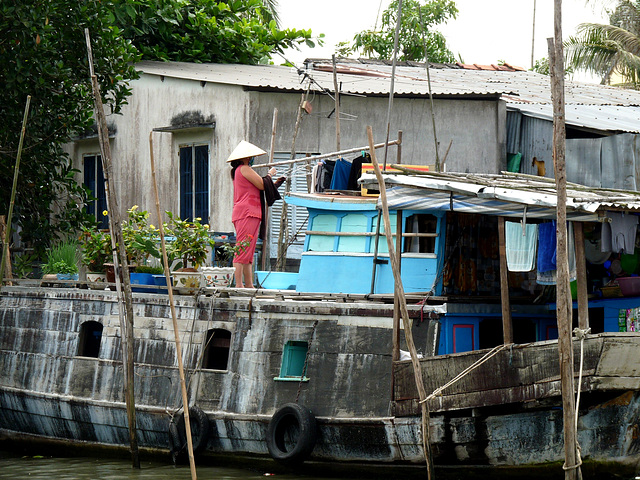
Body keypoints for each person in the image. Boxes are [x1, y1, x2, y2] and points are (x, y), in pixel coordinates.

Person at [227, 140, 278, 288]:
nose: (251, 158)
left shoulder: (241, 171)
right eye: (250, 156)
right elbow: (263, 184)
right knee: (242, 248)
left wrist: (275, 182)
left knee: (248, 252)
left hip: (251, 213)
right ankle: (238, 284)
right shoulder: (244, 169)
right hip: (247, 212)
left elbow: (261, 186)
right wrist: (270, 174)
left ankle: (248, 284)